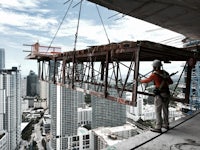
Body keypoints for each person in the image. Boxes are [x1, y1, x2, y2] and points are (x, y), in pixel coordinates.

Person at [140, 59, 173, 133]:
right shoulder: (165, 73)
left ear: (154, 67)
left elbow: (147, 80)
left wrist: (139, 80)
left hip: (160, 95)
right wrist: (164, 82)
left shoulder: (154, 74)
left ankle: (158, 127)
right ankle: (166, 124)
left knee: (158, 111)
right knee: (165, 110)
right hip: (167, 93)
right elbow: (171, 82)